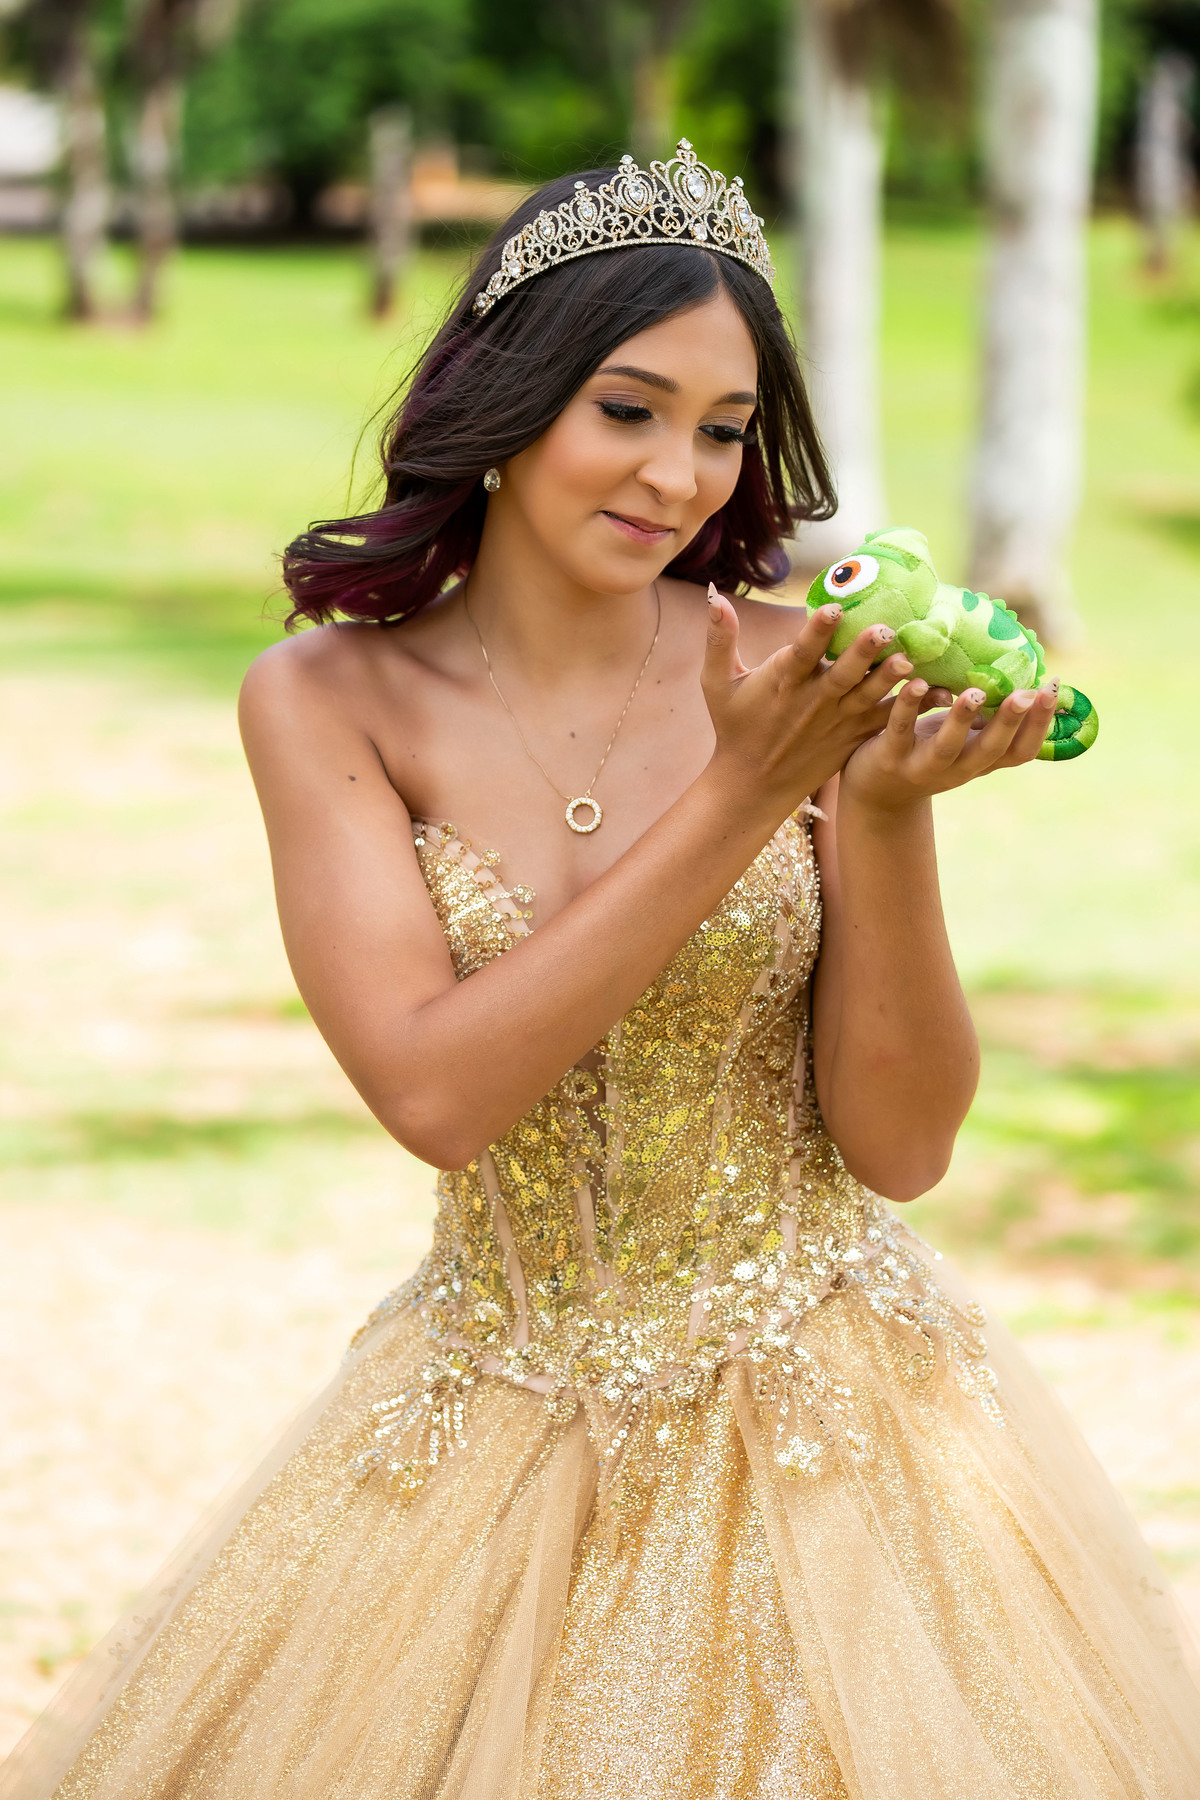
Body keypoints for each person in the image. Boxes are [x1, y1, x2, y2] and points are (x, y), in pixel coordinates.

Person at [4, 142, 1198, 1800]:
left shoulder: (799, 669)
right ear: (508, 406)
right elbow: (437, 1093)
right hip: (477, 1426)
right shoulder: (330, 702)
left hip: (840, 1439)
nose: (679, 476)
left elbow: (904, 1146)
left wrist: (883, 809)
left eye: (724, 430)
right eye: (627, 410)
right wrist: (745, 793)